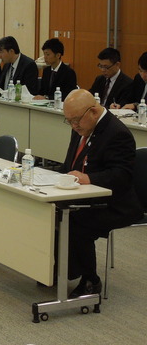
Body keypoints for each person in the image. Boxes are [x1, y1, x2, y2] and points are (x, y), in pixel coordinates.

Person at [59, 89, 142, 298]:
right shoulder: (81, 125)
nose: (73, 126)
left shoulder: (117, 134)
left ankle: (91, 280)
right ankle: (58, 270)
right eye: (68, 121)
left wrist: (89, 179)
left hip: (117, 203)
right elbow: (71, 164)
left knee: (75, 219)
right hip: (85, 195)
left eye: (76, 120)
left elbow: (121, 176)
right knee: (52, 211)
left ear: (94, 111)